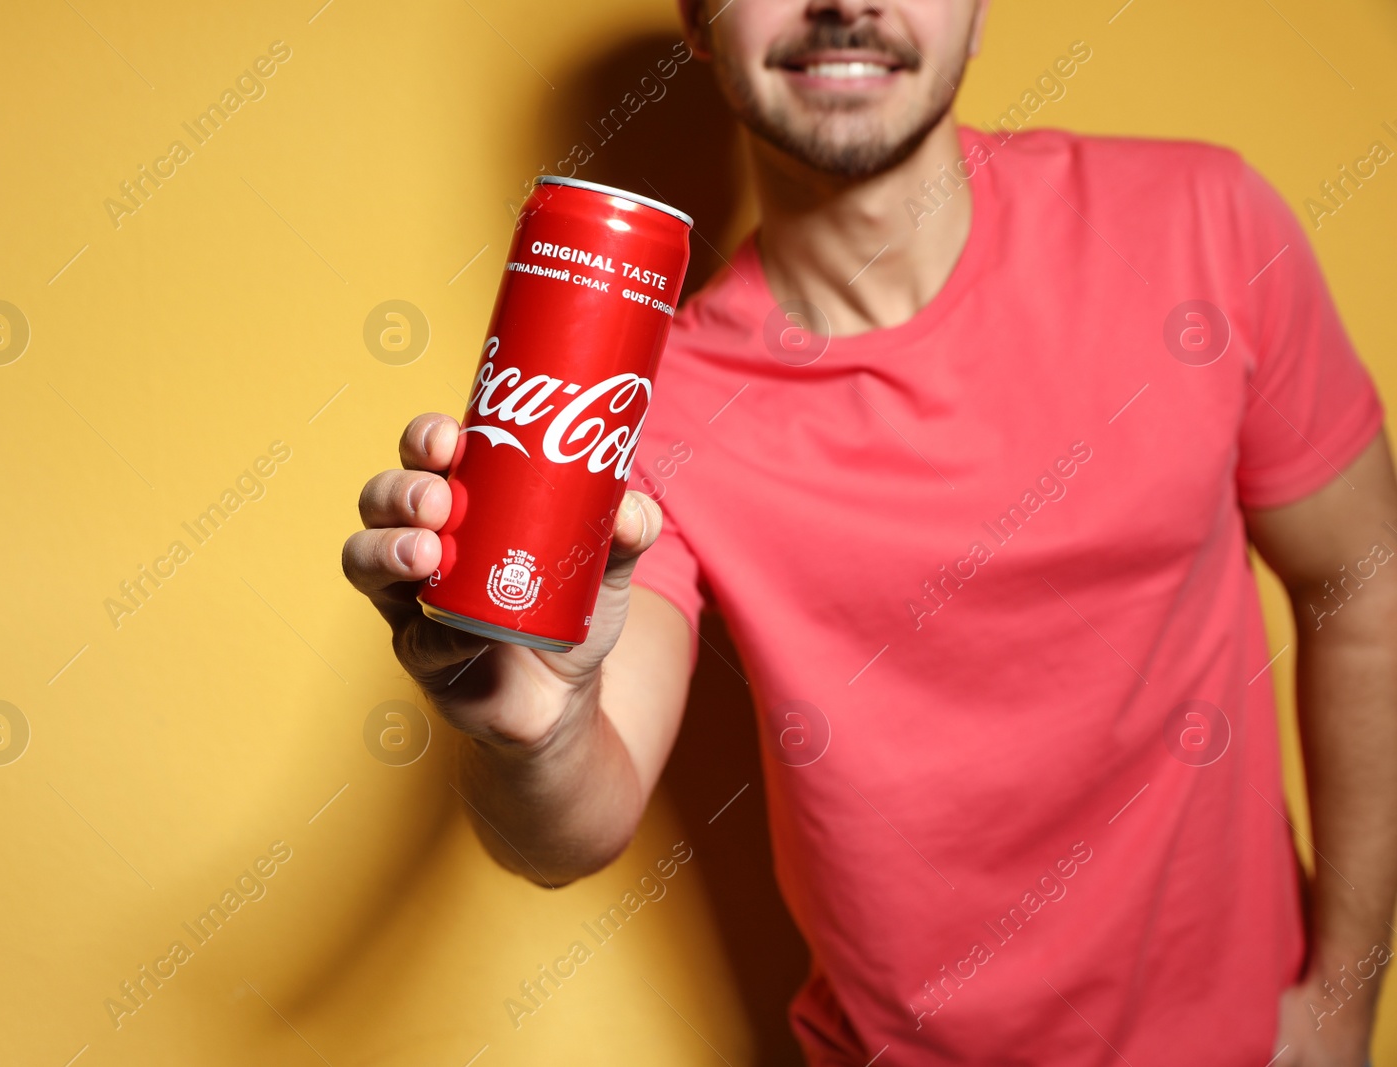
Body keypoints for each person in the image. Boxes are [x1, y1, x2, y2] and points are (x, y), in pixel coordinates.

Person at [342, 0, 1397, 1062]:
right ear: (700, 21)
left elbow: (1366, 578)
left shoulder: (1203, 223)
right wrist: (538, 728)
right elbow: (569, 822)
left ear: (977, 15)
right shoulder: (644, 411)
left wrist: (1342, 994)